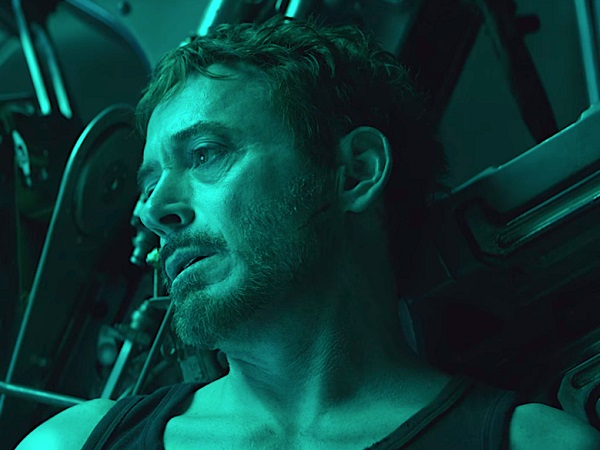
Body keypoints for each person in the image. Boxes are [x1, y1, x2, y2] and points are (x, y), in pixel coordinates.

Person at [16, 14, 600, 450]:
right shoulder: (71, 444)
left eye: (205, 154)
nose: (155, 211)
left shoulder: (536, 445)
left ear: (355, 172)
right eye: (149, 185)